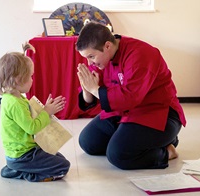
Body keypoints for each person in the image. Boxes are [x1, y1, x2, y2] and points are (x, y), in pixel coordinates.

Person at [76, 22, 186, 170]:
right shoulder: (103, 58)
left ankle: (166, 150)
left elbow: (130, 97)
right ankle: (137, 138)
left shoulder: (141, 54)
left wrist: (94, 89)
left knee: (118, 155)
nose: (90, 62)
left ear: (107, 46)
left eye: (91, 56)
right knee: (88, 142)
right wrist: (87, 89)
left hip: (158, 114)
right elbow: (94, 93)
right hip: (123, 111)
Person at [0, 43, 70, 182]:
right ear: (17, 79)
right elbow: (32, 127)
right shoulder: (15, 104)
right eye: (30, 76)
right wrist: (46, 112)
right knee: (63, 166)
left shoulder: (14, 98)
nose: (32, 80)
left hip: (23, 152)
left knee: (59, 158)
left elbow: (30, 119)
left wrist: (46, 109)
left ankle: (14, 167)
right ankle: (21, 172)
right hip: (23, 155)